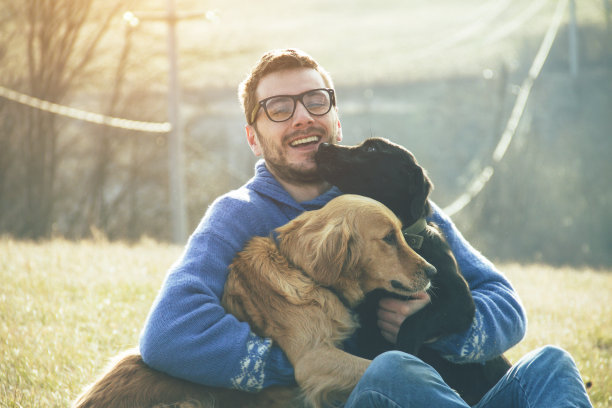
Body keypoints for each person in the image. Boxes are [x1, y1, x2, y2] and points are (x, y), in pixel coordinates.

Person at [139, 48, 592, 407]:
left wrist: (435, 327)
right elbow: (167, 333)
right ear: (252, 136)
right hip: (365, 393)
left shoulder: (380, 199)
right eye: (278, 108)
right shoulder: (235, 216)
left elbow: (506, 306)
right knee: (390, 370)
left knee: (551, 364)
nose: (301, 116)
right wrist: (302, 358)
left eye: (315, 101)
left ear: (336, 119)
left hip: (444, 394)